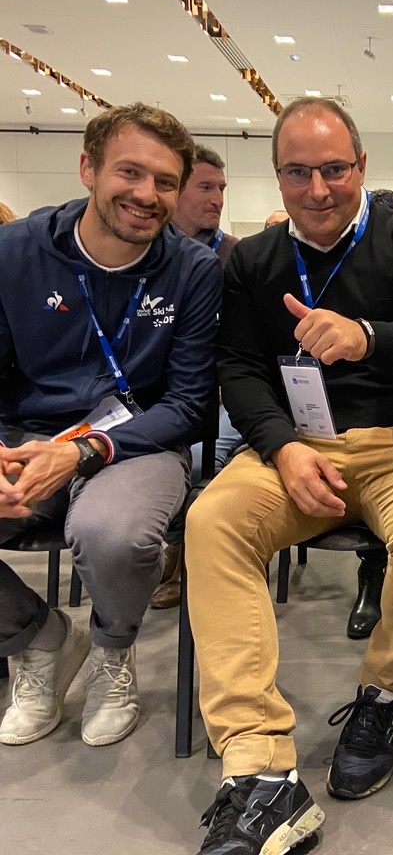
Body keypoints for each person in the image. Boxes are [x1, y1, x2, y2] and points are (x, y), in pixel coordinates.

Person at [186, 96, 393, 855]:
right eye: (298, 172)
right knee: (211, 522)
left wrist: (366, 337)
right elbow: (239, 369)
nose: (319, 189)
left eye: (335, 169)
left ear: (362, 168)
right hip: (297, 450)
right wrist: (281, 445)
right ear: (278, 176)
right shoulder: (253, 259)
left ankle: (382, 692)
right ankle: (259, 767)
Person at [0, 102, 220, 748]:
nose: (146, 195)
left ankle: (111, 650)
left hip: (137, 443)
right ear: (88, 169)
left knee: (113, 533)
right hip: (22, 434)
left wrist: (86, 450)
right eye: (130, 172)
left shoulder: (193, 270)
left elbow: (189, 406)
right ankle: (39, 639)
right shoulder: (14, 252)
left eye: (165, 182)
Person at [151, 144, 241, 609]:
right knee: (149, 447)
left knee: (215, 453)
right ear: (177, 190)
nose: (218, 198)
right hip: (161, 398)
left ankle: (189, 554)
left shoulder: (236, 257)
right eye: (206, 187)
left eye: (222, 188)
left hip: (226, 397)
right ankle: (171, 543)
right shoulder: (147, 254)